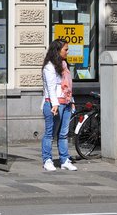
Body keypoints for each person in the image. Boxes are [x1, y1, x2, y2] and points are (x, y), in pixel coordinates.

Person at [41, 39, 78, 172]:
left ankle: (64, 160)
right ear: (57, 51)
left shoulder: (64, 65)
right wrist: (54, 104)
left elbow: (68, 86)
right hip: (53, 104)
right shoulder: (49, 67)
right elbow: (51, 88)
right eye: (65, 49)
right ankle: (47, 160)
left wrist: (71, 101)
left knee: (63, 134)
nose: (67, 52)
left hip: (66, 103)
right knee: (50, 133)